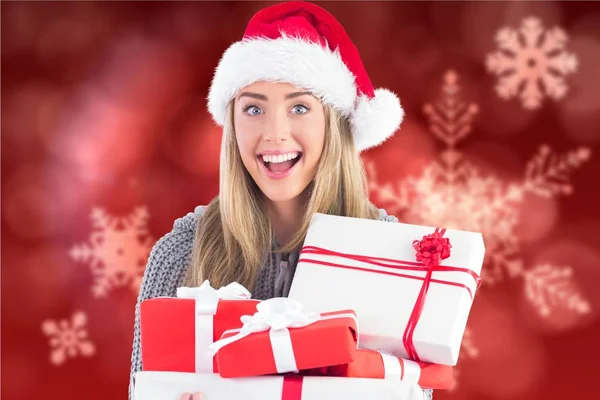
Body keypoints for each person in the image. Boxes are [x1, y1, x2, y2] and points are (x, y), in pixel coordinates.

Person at [129, 2, 433, 400]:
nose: (274, 133)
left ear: (334, 125)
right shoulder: (179, 257)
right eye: (253, 108)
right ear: (232, 123)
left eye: (299, 107)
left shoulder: (390, 261)